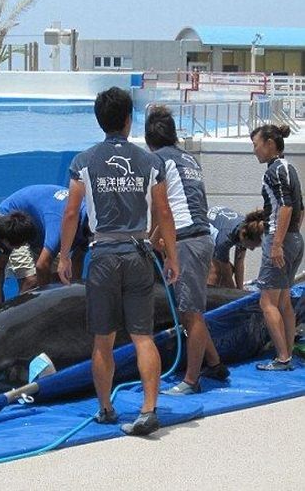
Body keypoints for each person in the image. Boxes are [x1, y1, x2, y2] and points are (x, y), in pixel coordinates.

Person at [57, 87, 179, 436]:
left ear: (101, 121)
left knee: (103, 340)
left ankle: (106, 409)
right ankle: (149, 408)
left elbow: (69, 213)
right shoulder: (150, 161)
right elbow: (164, 211)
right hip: (139, 252)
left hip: (103, 255)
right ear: (129, 120)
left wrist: (64, 256)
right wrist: (172, 256)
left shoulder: (83, 162)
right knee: (143, 336)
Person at [145, 105, 222, 395]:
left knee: (192, 313)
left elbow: (162, 207)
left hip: (187, 240)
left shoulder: (156, 160)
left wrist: (152, 238)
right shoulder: (188, 158)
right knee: (193, 309)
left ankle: (191, 380)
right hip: (201, 236)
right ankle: (214, 362)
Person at [251, 124, 303, 371]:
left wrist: (277, 244)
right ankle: (288, 353)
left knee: (267, 302)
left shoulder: (274, 171)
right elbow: (299, 208)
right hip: (295, 238)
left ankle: (282, 357)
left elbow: (286, 207)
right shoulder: (290, 168)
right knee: (283, 301)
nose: (254, 150)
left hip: (280, 241)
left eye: (256, 144)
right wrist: (292, 236)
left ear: (270, 143)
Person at [0, 184, 90, 293]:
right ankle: (28, 310)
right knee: (31, 280)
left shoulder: (91, 227)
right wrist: (47, 304)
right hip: (13, 221)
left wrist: (75, 294)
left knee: (63, 280)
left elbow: (77, 261)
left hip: (40, 228)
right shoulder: (60, 224)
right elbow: (42, 266)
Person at [207, 206, 264, 289]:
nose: (252, 249)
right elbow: (226, 273)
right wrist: (235, 295)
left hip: (215, 231)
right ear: (245, 236)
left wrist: (240, 290)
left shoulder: (247, 228)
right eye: (252, 246)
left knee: (229, 269)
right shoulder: (224, 239)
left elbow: (239, 263)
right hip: (193, 236)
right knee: (215, 272)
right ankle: (207, 299)